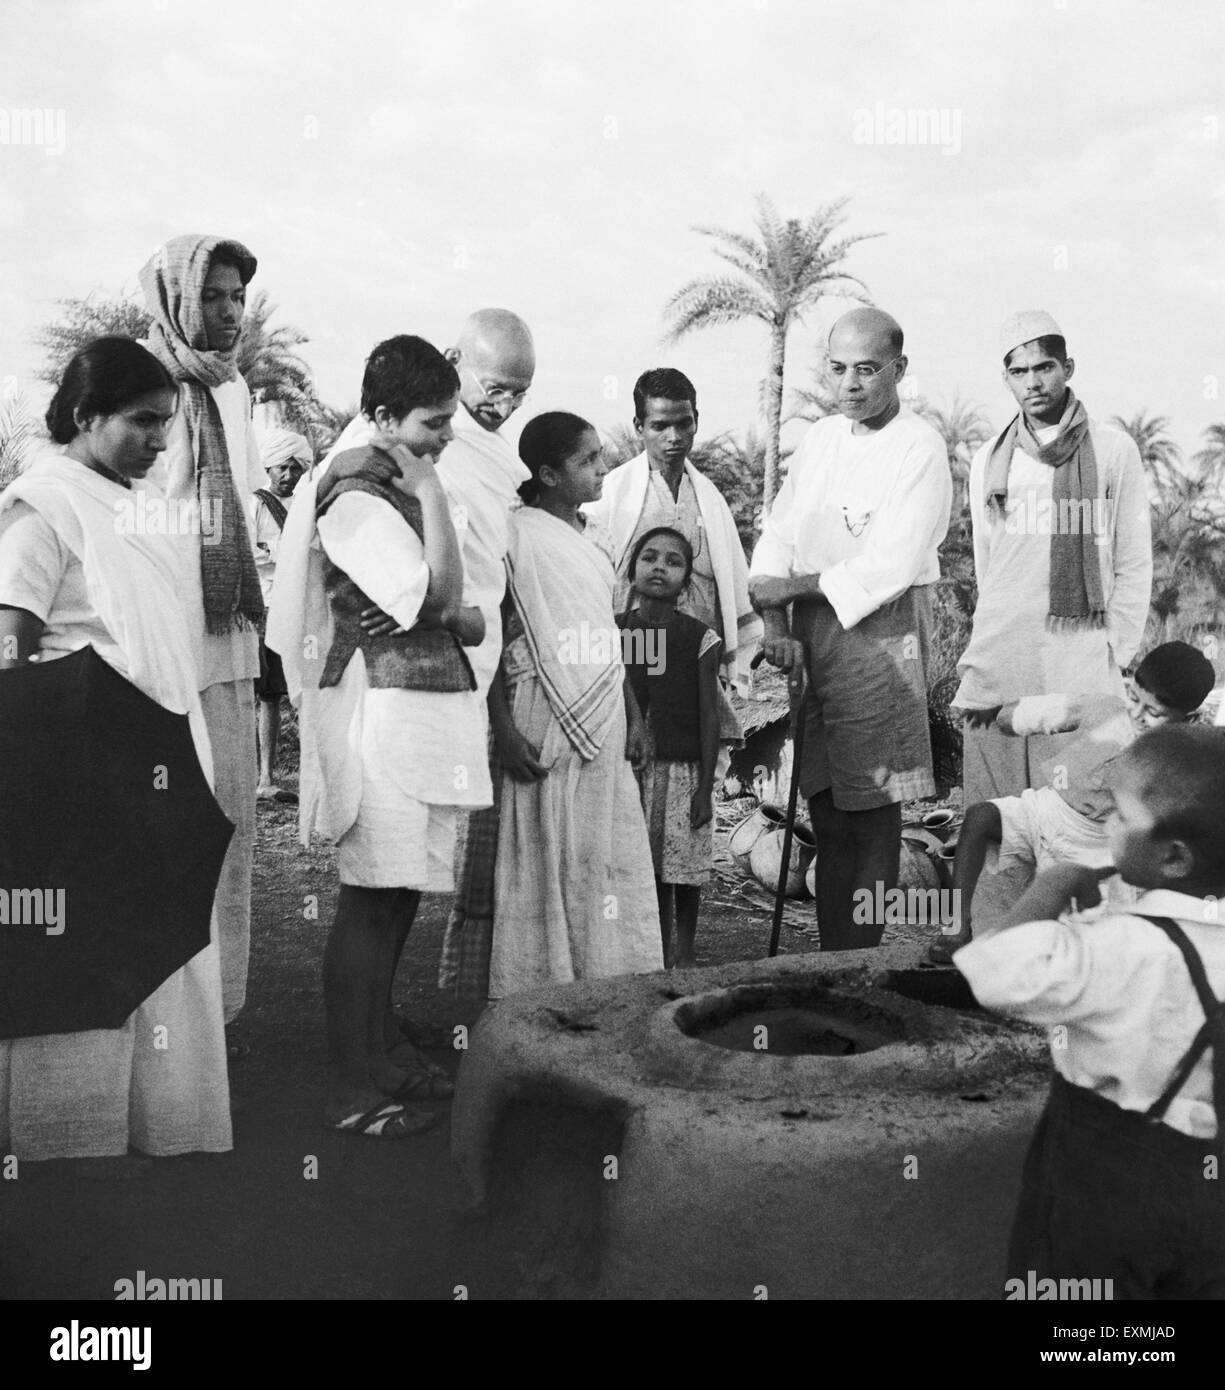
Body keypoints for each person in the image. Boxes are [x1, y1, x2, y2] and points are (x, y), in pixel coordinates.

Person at [0, 338, 231, 1162]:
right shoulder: (42, 504)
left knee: (159, 935)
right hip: (82, 767)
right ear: (86, 413)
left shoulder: (135, 504)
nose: (160, 441)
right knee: (83, 946)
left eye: (166, 423)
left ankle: (162, 1126)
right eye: (141, 421)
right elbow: (10, 649)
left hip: (158, 753)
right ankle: (70, 1143)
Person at [270, 336, 490, 1136]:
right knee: (369, 900)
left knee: (398, 895)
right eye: (434, 423)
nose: (446, 437)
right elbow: (441, 601)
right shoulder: (358, 492)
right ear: (384, 417)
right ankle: (352, 1086)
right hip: (377, 715)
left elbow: (442, 602)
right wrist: (430, 495)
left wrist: (450, 606)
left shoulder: (387, 474)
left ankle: (383, 1046)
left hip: (415, 709)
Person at [956, 724, 1225, 1300]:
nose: (1106, 826)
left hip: (1105, 1189)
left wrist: (1050, 888)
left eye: (1121, 817)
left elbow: (990, 968)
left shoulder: (1118, 948)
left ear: (1174, 856)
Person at [749, 307, 951, 951]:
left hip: (880, 637)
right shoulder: (821, 439)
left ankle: (859, 964)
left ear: (899, 370)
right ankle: (829, 959)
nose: (851, 384)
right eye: (837, 368)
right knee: (827, 809)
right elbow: (778, 536)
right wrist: (775, 621)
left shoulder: (920, 446)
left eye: (868, 370)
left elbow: (888, 562)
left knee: (873, 813)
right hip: (811, 638)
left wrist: (794, 587)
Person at [139, 234, 268, 1035]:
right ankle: (158, 1009)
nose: (228, 312)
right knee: (163, 815)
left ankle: (212, 1010)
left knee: (226, 811)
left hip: (225, 632)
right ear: (176, 297)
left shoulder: (234, 392)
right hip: (163, 633)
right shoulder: (143, 387)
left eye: (237, 298)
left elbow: (242, 508)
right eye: (213, 296)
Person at [488, 412, 663, 996]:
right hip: (539, 708)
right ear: (547, 474)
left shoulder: (597, 540)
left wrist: (636, 717)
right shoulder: (513, 535)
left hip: (605, 711)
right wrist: (503, 730)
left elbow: (610, 637)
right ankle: (537, 992)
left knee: (602, 848)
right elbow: (495, 635)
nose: (602, 468)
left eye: (599, 456)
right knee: (542, 850)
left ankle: (607, 985)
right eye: (586, 460)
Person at [953, 310, 1152, 806]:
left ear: (1068, 368)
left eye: (1044, 367)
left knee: (1077, 803)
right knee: (996, 808)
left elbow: (1133, 558)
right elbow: (988, 561)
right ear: (1005, 380)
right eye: (1019, 372)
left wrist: (1117, 650)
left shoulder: (1112, 450)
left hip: (1079, 652)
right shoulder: (989, 460)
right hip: (1003, 650)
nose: (1033, 382)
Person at [926, 640, 1216, 964]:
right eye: (1134, 698)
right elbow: (1049, 710)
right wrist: (1003, 714)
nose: (1137, 713)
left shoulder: (1172, 759)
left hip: (1094, 843)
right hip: (1048, 807)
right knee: (980, 818)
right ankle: (955, 929)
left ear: (1187, 718)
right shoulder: (1105, 708)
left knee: (1065, 929)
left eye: (1154, 712)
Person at [583, 367, 761, 698]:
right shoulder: (609, 496)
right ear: (639, 427)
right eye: (660, 426)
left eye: (683, 423)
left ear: (696, 420)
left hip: (698, 653)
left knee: (699, 743)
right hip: (633, 655)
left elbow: (731, 584)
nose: (674, 436)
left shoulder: (711, 500)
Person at [618, 527, 720, 968]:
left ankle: (685, 948)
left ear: (686, 580)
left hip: (682, 769)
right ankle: (651, 949)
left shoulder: (699, 637)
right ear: (631, 570)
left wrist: (705, 788)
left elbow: (709, 714)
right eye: (649, 557)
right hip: (630, 769)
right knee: (646, 865)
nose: (659, 567)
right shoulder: (616, 630)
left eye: (673, 561)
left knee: (682, 867)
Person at [250, 427, 311, 801]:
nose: (288, 476)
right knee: (270, 695)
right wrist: (286, 552)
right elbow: (249, 549)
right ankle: (266, 777)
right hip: (271, 603)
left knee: (308, 691)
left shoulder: (306, 502)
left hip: (304, 603)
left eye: (294, 468)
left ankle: (312, 774)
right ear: (269, 468)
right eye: (281, 469)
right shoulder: (255, 503)